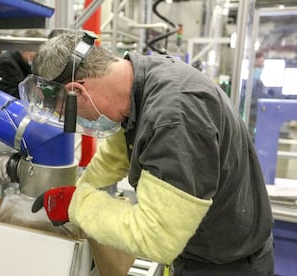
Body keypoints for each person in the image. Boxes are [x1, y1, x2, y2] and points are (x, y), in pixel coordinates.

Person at [30, 31, 274, 275]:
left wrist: (77, 204)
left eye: (72, 114)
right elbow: (116, 153)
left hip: (226, 264)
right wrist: (83, 187)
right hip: (201, 248)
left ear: (78, 91)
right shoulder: (139, 80)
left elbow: (156, 236)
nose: (84, 121)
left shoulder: (174, 118)